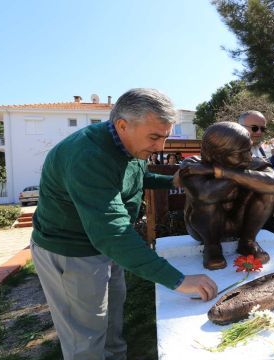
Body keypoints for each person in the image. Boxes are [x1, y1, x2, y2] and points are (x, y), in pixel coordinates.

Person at [30, 89, 218, 359]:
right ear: (122, 125)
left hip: (106, 248)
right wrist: (177, 280)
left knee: (110, 325)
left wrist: (171, 181)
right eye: (154, 137)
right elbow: (112, 232)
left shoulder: (128, 145)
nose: (160, 147)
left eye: (165, 137)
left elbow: (129, 180)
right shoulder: (87, 156)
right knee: (85, 338)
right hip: (72, 253)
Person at [180, 122, 274, 269]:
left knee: (268, 191)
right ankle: (212, 247)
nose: (248, 157)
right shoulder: (192, 165)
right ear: (216, 154)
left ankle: (248, 242)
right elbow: (206, 194)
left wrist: (222, 172)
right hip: (203, 228)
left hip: (239, 222)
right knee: (207, 200)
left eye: (248, 150)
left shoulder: (251, 162)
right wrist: (244, 177)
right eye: (239, 153)